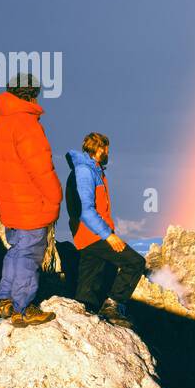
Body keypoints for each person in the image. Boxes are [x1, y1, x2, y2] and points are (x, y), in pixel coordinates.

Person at [0, 74, 61, 327]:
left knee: (15, 251)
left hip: (8, 204)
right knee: (29, 254)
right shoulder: (27, 125)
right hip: (30, 206)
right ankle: (23, 307)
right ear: (33, 95)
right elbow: (41, 169)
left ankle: (5, 299)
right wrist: (55, 198)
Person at [66, 132, 144, 327]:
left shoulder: (94, 169)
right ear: (97, 149)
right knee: (135, 263)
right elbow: (87, 211)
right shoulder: (85, 171)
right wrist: (108, 236)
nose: (108, 152)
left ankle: (83, 320)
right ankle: (113, 306)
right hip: (93, 235)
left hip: (88, 236)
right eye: (106, 148)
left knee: (87, 289)